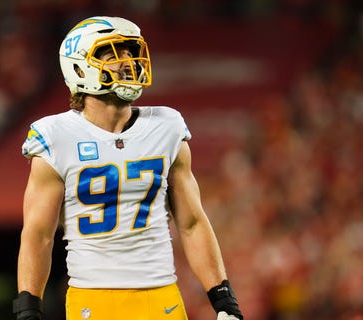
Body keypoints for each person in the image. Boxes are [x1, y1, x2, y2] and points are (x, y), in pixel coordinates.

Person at [14, 16, 243, 320]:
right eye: (112, 55)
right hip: (93, 300)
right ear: (79, 67)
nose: (127, 62)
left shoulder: (167, 126)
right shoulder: (56, 136)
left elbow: (191, 223)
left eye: (130, 53)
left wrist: (224, 299)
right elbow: (38, 234)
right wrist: (28, 308)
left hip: (162, 297)